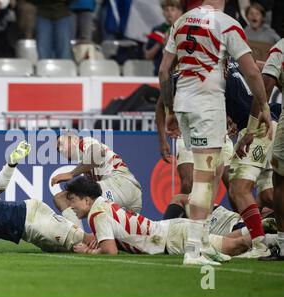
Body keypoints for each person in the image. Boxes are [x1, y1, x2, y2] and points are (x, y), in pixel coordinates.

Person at [158, 0, 272, 265]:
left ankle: (205, 242)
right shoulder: (227, 24)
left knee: (214, 173)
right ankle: (193, 250)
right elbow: (253, 71)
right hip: (207, 107)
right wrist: (264, 105)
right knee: (204, 177)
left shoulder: (181, 21)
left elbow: (164, 71)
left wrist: (170, 110)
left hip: (185, 104)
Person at [67, 177, 250, 262]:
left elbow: (110, 252)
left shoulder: (97, 214)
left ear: (87, 200)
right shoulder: (102, 204)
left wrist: (89, 252)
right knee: (231, 241)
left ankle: (267, 239)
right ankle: (264, 235)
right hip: (171, 230)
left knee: (235, 246)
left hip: (172, 239)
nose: (71, 207)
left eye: (73, 200)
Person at [238, 38, 284, 261]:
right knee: (269, 190)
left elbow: (263, 87)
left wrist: (251, 129)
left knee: (279, 180)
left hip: (271, 125)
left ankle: (275, 246)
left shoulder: (281, 48)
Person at [51, 131, 142, 225]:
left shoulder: (86, 142)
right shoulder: (86, 165)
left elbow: (96, 154)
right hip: (133, 194)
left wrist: (71, 174)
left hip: (119, 183)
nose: (60, 149)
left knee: (62, 198)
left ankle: (78, 238)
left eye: (61, 144)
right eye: (58, 149)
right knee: (119, 236)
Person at [145, 0, 183, 76]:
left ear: (180, 12)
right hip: (160, 73)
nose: (169, 13)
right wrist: (160, 42)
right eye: (166, 10)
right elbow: (148, 56)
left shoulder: (184, 29)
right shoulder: (158, 30)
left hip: (180, 74)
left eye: (172, 9)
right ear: (163, 12)